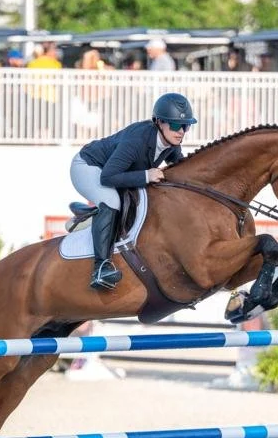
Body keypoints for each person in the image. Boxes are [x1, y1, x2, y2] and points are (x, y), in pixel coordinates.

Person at [69, 92, 197, 290]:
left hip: (110, 171)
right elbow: (108, 177)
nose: (181, 131)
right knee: (112, 200)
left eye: (186, 126)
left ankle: (93, 217)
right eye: (174, 125)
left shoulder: (171, 143)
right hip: (88, 167)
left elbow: (180, 169)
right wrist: (147, 176)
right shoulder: (137, 140)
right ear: (159, 122)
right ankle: (101, 268)